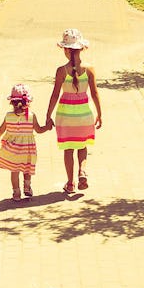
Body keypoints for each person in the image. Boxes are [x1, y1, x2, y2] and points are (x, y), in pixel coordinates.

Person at [46, 28, 102, 193]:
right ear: (81, 48)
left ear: (66, 50)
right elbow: (95, 93)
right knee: (82, 146)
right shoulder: (89, 69)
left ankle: (70, 183)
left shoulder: (61, 71)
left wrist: (48, 115)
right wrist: (100, 113)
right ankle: (82, 171)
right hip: (84, 115)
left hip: (66, 116)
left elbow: (55, 94)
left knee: (68, 149)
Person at [0, 84, 52, 201]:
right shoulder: (31, 116)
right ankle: (27, 187)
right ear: (28, 102)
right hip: (27, 150)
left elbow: (1, 129)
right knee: (27, 168)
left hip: (13, 150)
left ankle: (16, 193)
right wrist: (47, 127)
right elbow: (39, 130)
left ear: (12, 103)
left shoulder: (8, 116)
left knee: (15, 171)